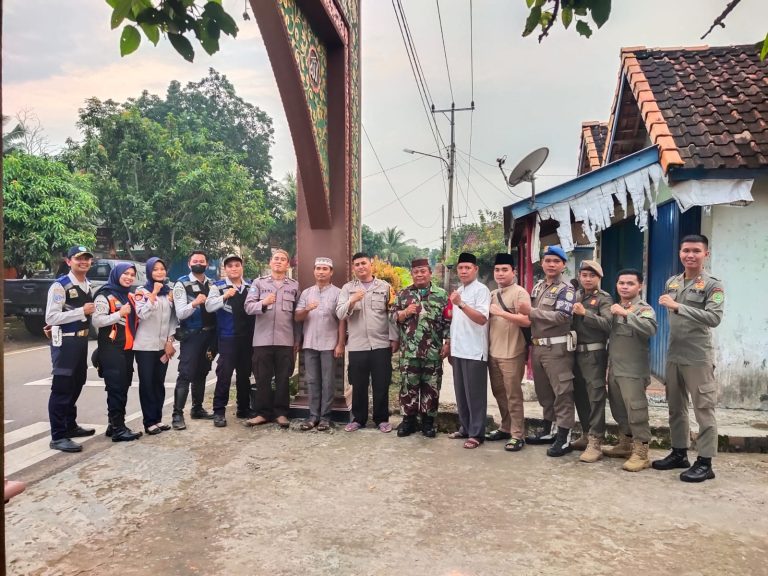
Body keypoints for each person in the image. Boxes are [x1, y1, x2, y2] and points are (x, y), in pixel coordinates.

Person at [653, 234, 724, 483]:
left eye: (696, 250)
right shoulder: (673, 282)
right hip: (674, 354)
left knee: (704, 408)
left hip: (698, 356)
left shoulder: (713, 285)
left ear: (706, 253)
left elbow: (714, 318)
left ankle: (705, 462)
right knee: (675, 407)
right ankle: (679, 452)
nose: (690, 255)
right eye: (685, 250)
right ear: (680, 253)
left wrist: (678, 306)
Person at [518, 245, 576, 457]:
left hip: (557, 348)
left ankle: (564, 437)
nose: (551, 265)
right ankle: (549, 429)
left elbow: (563, 316)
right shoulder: (538, 287)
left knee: (562, 392)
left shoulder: (566, 289)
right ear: (542, 263)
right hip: (538, 347)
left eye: (556, 261)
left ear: (563, 265)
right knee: (545, 392)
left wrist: (532, 312)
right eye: (548, 260)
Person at [336, 252, 399, 433]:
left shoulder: (385, 287)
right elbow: (339, 313)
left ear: (371, 264)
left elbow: (391, 315)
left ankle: (382, 419)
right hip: (357, 345)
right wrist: (352, 300)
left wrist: (394, 338)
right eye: (357, 265)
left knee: (381, 383)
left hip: (380, 344)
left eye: (363, 263)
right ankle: (359, 419)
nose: (360, 267)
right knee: (359, 384)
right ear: (353, 268)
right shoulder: (347, 288)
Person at [601, 269, 657, 471]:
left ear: (639, 286)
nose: (624, 286)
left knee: (636, 411)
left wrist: (627, 314)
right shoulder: (614, 307)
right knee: (618, 408)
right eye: (621, 282)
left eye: (630, 283)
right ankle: (625, 444)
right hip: (615, 368)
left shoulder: (644, 309)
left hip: (633, 371)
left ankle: (641, 452)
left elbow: (650, 329)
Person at [45, 246, 97, 453]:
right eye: (78, 259)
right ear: (68, 262)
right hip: (65, 342)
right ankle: (58, 435)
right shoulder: (60, 286)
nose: (83, 262)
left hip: (81, 342)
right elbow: (51, 317)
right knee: (62, 387)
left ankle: (70, 425)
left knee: (78, 382)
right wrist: (80, 312)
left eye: (87, 259)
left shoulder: (87, 284)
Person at [392, 258, 451, 438]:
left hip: (433, 351)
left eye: (423, 271)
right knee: (408, 387)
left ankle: (428, 422)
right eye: (416, 272)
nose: (419, 275)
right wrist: (405, 312)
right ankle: (408, 421)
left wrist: (448, 342)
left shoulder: (441, 295)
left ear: (429, 272)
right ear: (412, 274)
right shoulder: (403, 294)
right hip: (409, 352)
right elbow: (393, 317)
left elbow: (448, 321)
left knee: (431, 388)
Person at [244, 249, 301, 428]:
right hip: (262, 340)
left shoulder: (294, 286)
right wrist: (264, 303)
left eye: (283, 259)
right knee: (262, 378)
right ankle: (262, 413)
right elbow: (248, 307)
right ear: (270, 262)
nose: (279, 262)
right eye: (276, 259)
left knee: (283, 378)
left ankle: (281, 413)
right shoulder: (259, 283)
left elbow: (297, 315)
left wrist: (297, 339)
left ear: (287, 264)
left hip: (285, 340)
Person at [91, 262, 143, 442]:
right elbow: (97, 321)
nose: (129, 277)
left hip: (126, 349)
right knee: (116, 389)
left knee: (122, 387)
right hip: (111, 349)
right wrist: (120, 314)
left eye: (132, 274)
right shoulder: (104, 295)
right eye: (125, 274)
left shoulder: (127, 295)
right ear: (116, 274)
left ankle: (113, 425)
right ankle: (119, 429)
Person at [485, 253, 531, 452]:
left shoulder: (520, 293)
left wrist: (502, 313)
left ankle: (518, 435)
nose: (500, 273)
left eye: (505, 270)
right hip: (493, 352)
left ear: (513, 272)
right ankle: (505, 427)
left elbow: (527, 320)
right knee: (499, 392)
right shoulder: (493, 294)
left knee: (513, 395)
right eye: (497, 270)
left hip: (512, 352)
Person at [294, 257, 346, 431]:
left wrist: (340, 344)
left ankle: (325, 417)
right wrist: (307, 309)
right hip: (309, 343)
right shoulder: (307, 293)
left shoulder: (339, 293)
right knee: (312, 381)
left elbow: (341, 321)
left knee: (328, 382)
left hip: (329, 344)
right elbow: (297, 317)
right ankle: (313, 416)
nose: (321, 272)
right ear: (314, 271)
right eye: (318, 268)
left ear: (331, 272)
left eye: (325, 269)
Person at [205, 254, 256, 427]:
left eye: (237, 265)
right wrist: (225, 296)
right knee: (224, 375)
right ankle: (219, 411)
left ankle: (243, 408)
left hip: (248, 338)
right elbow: (209, 306)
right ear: (224, 269)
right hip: (227, 337)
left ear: (242, 267)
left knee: (244, 375)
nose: (234, 268)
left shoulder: (251, 286)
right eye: (230, 266)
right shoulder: (218, 287)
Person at [570, 260, 613, 462]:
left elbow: (608, 324)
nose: (587, 279)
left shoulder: (604, 299)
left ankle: (596, 442)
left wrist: (584, 313)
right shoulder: (576, 295)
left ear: (599, 278)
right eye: (584, 275)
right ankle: (586, 434)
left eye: (592, 276)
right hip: (575, 353)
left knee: (595, 397)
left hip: (594, 354)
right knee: (579, 395)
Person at [447, 252, 491, 449]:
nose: (463, 271)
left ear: (476, 269)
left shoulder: (481, 291)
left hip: (475, 350)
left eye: (467, 268)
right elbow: (455, 322)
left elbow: (482, 318)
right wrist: (450, 345)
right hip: (459, 349)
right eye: (460, 268)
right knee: (461, 393)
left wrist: (461, 304)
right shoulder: (460, 291)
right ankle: (465, 427)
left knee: (475, 394)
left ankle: (477, 433)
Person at [172, 251, 217, 430]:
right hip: (191, 335)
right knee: (186, 373)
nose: (199, 263)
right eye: (195, 261)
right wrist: (195, 303)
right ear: (189, 264)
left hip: (209, 335)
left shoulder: (212, 283)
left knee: (202, 371)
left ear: (207, 264)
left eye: (202, 261)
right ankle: (177, 414)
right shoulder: (181, 284)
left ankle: (197, 408)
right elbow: (180, 312)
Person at [134, 257, 177, 435]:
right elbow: (141, 314)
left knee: (159, 383)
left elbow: (173, 319)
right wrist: (153, 293)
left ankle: (157, 419)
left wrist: (170, 340)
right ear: (149, 272)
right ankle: (148, 422)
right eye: (155, 270)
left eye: (162, 269)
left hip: (162, 346)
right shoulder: (141, 291)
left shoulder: (169, 292)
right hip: (144, 346)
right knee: (147, 384)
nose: (159, 272)